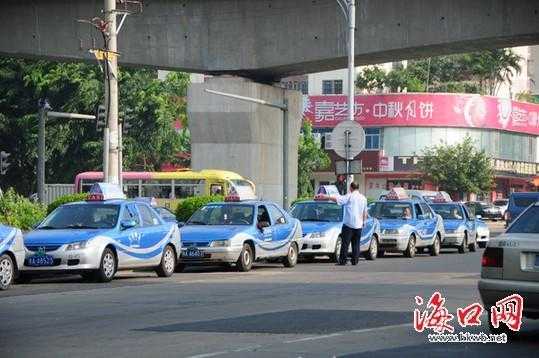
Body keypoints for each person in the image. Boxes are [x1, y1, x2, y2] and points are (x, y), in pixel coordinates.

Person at [318, 182, 368, 266]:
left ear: (351, 188)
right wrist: (364, 222)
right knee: (356, 244)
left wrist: (326, 196)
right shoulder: (363, 198)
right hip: (359, 225)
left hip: (348, 224)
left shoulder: (349, 196)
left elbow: (338, 199)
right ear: (358, 188)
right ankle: (355, 260)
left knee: (345, 243)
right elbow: (365, 212)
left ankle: (343, 260)